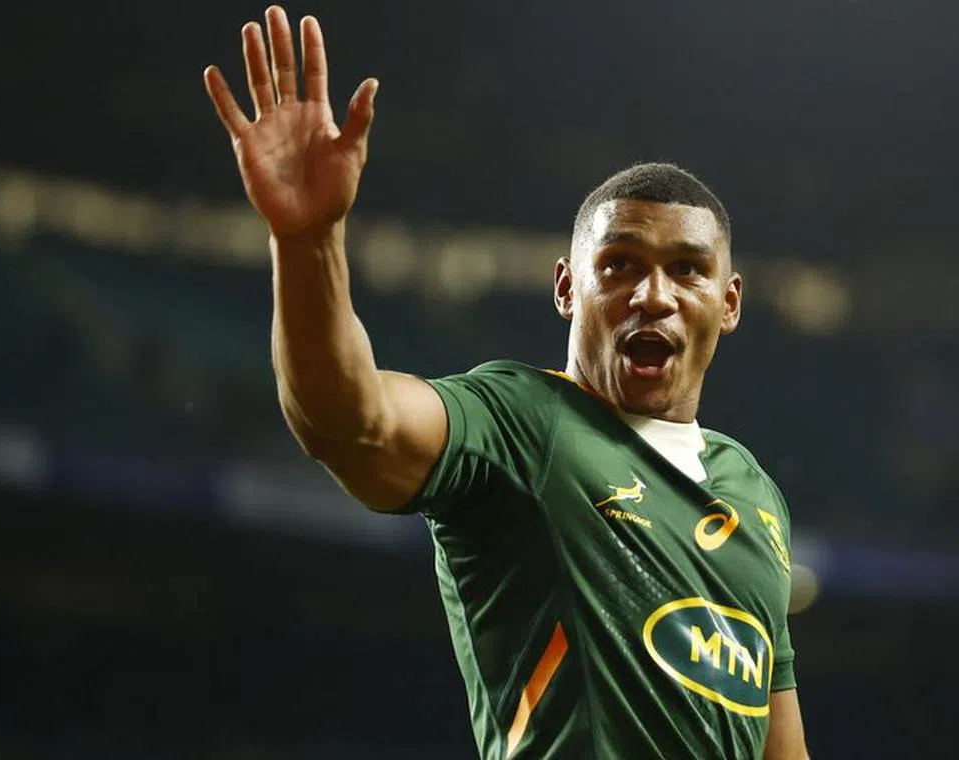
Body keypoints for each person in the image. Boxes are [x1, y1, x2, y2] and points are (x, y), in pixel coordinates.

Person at [204, 6, 810, 758]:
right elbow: (348, 422)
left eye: (687, 269)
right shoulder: (522, 421)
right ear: (566, 289)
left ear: (730, 301)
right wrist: (307, 241)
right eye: (619, 264)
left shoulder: (752, 492)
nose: (654, 294)